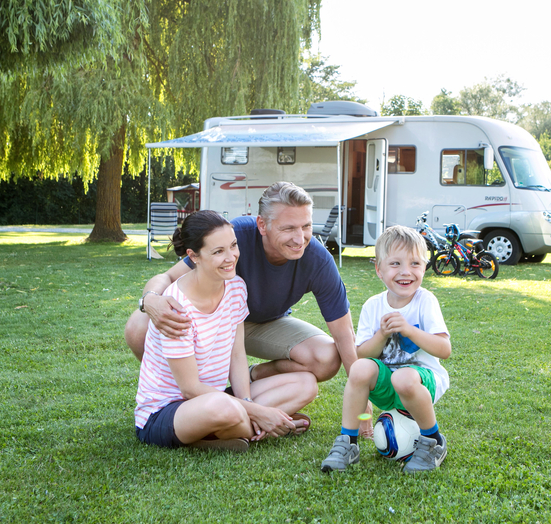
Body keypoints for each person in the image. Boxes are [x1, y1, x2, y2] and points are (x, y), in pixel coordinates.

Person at [126, 182, 365, 430]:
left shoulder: (317, 259)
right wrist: (150, 299)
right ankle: (180, 399)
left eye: (306, 226)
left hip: (264, 324)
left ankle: (250, 379)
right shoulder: (234, 236)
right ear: (262, 225)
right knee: (138, 324)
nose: (299, 238)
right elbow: (168, 277)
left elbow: (344, 332)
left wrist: (361, 392)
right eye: (288, 228)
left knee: (326, 357)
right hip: (218, 322)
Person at [135, 210, 318, 451]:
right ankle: (264, 424)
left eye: (233, 245)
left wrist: (247, 402)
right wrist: (259, 411)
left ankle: (231, 430)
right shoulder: (175, 307)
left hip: (217, 396)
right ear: (194, 256)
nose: (231, 257)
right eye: (218, 251)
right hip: (168, 411)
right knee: (221, 408)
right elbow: (189, 389)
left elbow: (237, 354)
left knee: (306, 383)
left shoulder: (236, 288)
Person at [320, 225, 451, 474]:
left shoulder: (425, 301)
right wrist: (382, 334)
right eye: (395, 264)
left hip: (423, 382)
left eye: (415, 263)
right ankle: (348, 442)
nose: (406, 272)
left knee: (403, 376)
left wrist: (410, 330)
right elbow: (362, 355)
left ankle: (434, 441)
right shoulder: (373, 305)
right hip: (387, 385)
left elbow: (444, 349)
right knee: (359, 368)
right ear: (379, 270)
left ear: (424, 267)